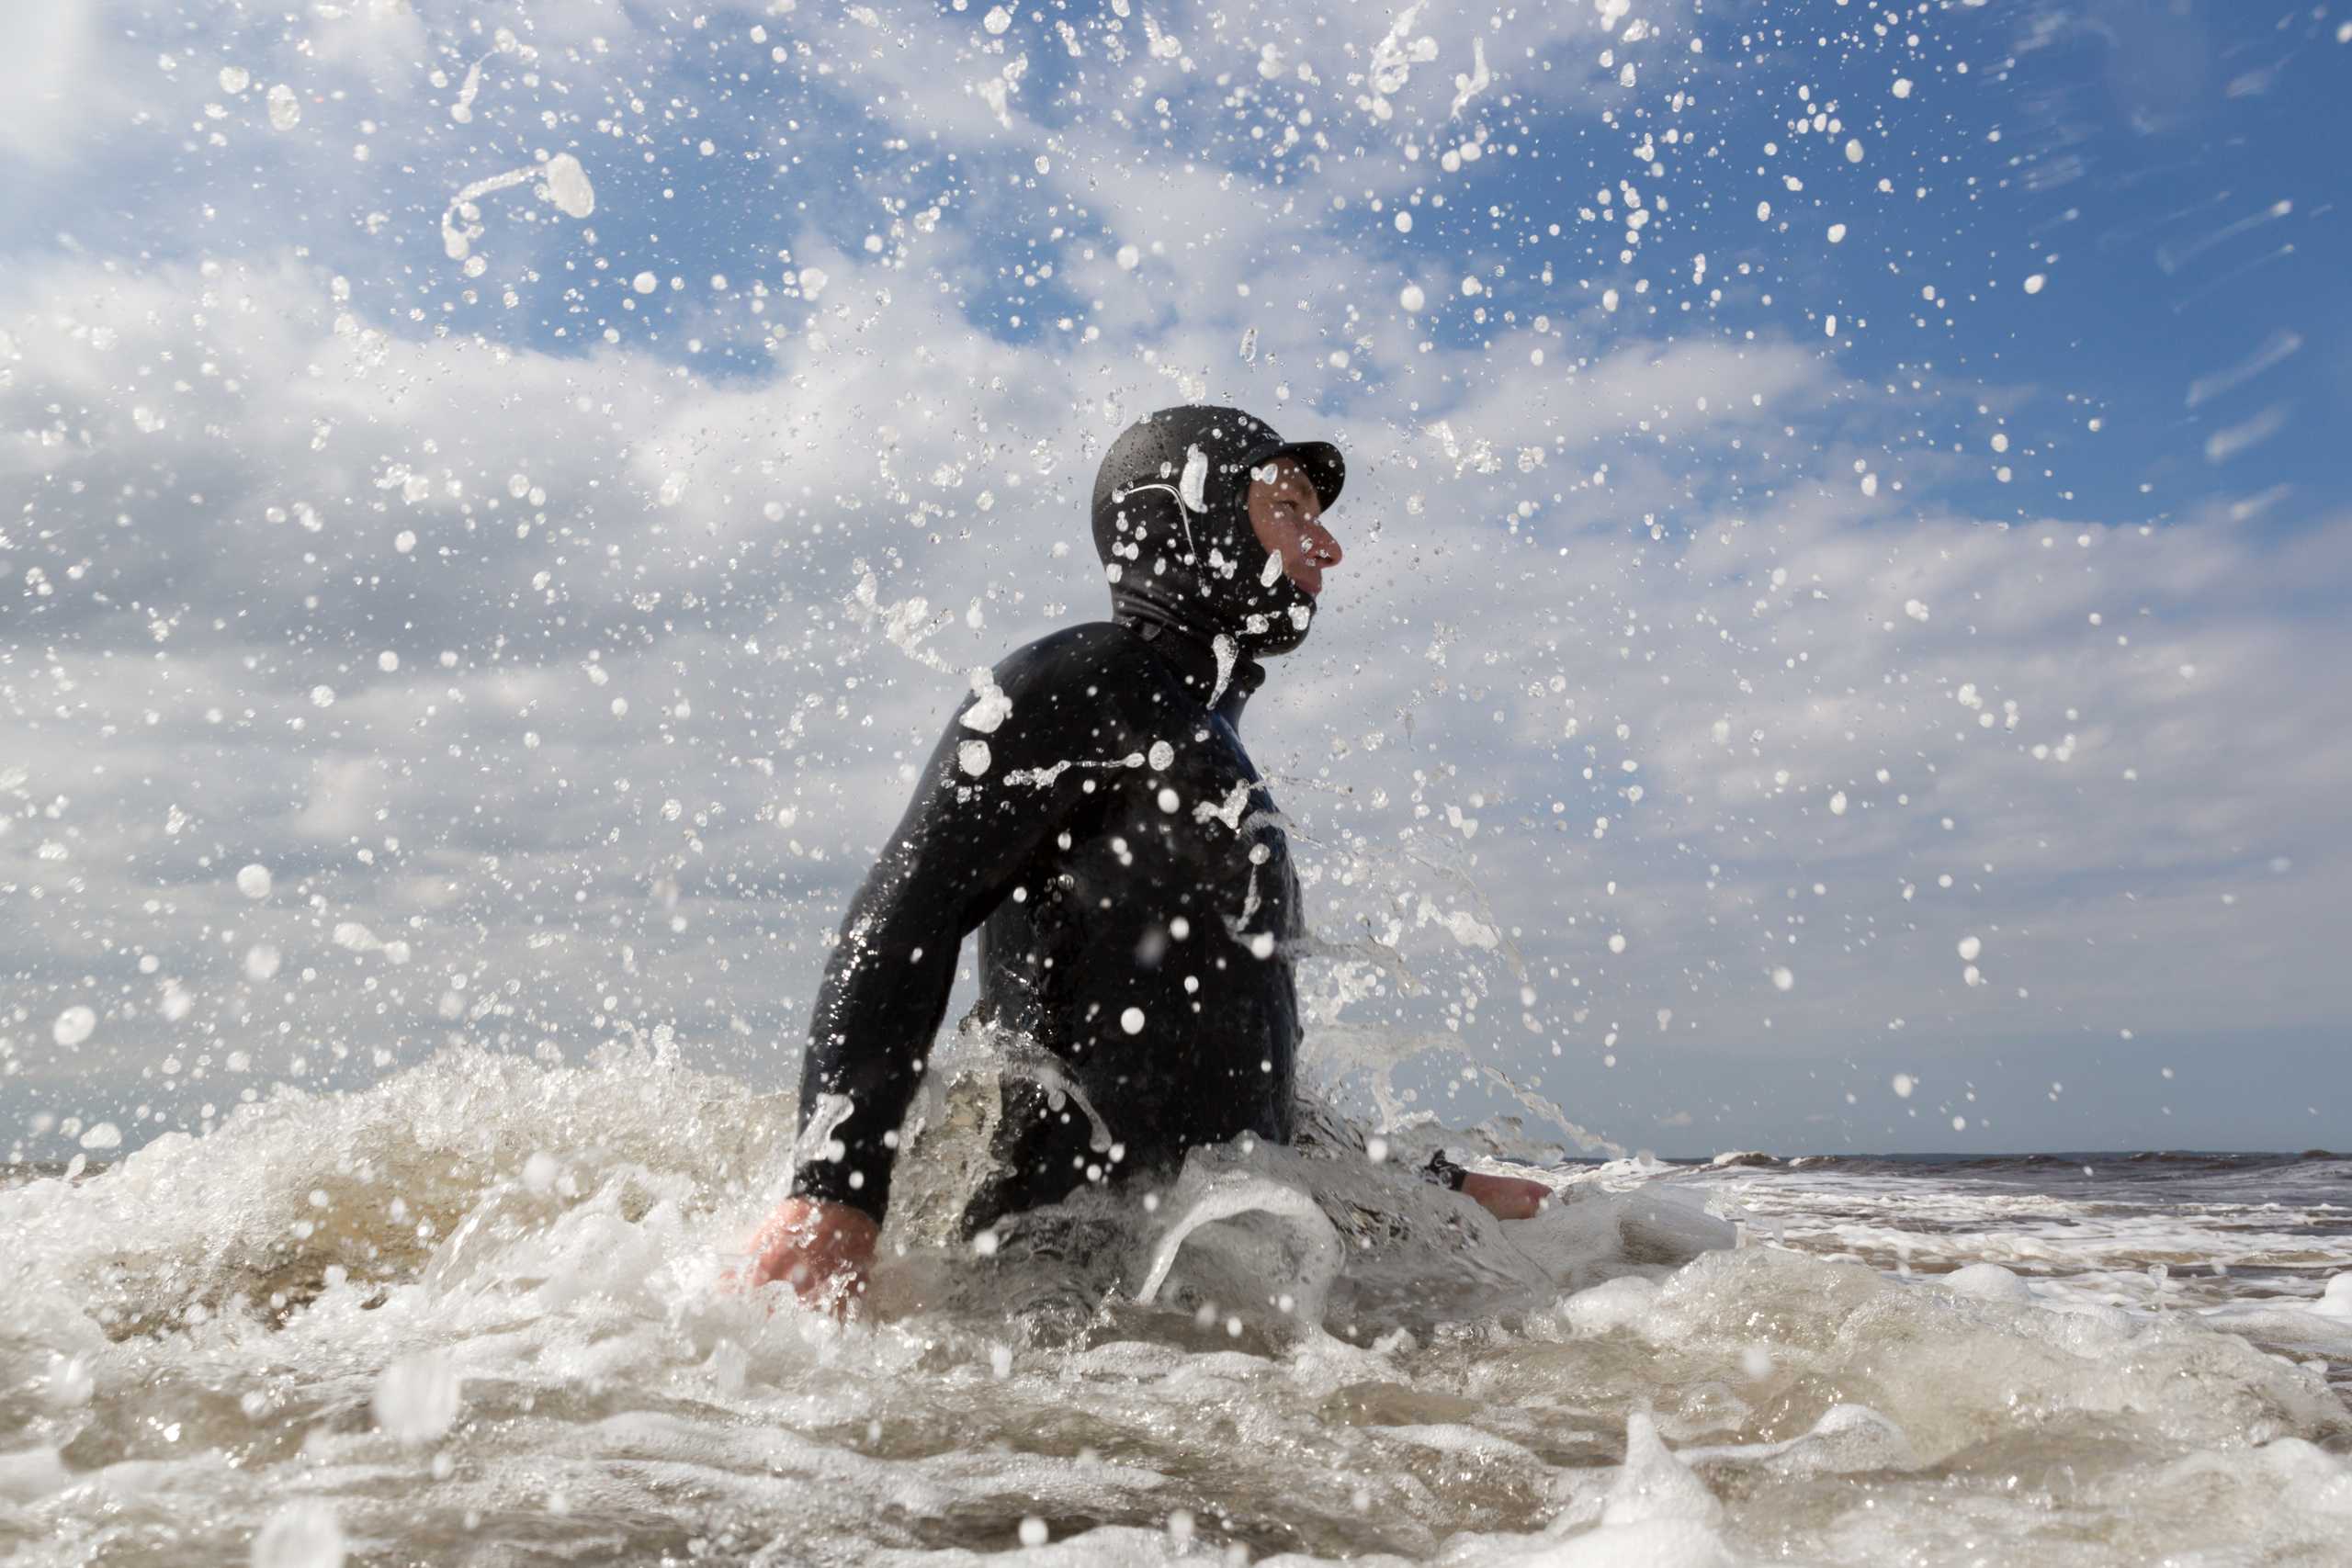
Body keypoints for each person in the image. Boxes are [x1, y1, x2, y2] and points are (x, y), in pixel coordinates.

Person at [744, 405, 1549, 1307]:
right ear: (1178, 516)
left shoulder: (1215, 756)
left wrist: (1426, 1184)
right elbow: (904, 913)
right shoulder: (1080, 682)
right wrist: (832, 1197)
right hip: (1043, 1296)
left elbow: (1226, 1072)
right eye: (1287, 509)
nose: (1322, 549)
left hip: (1186, 1298)